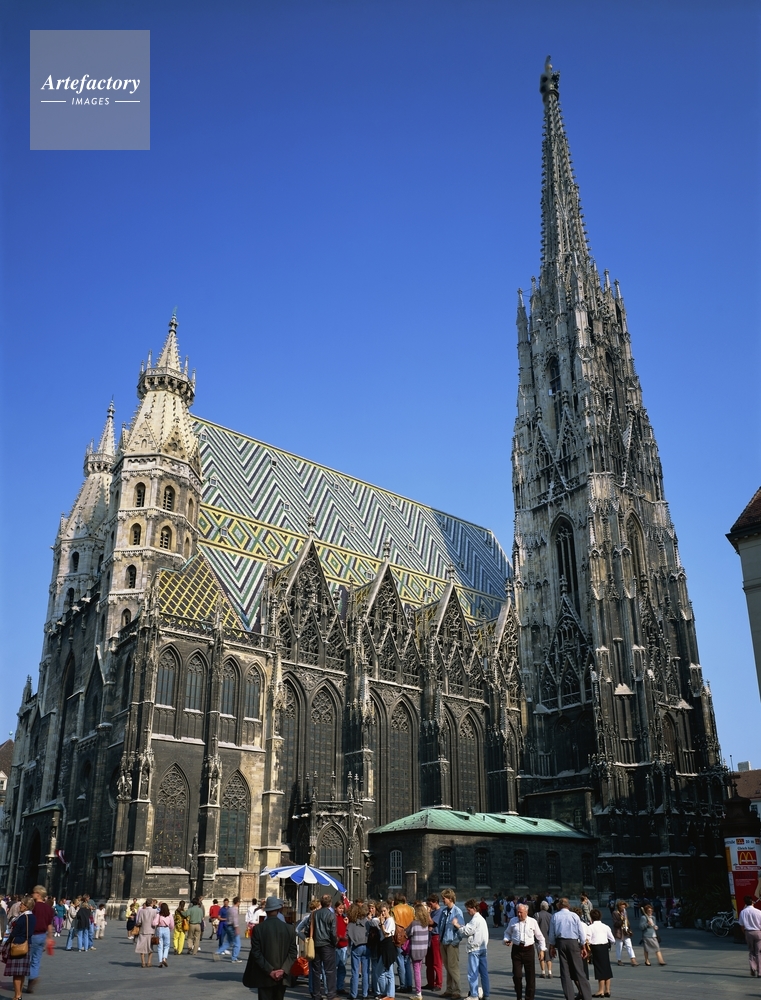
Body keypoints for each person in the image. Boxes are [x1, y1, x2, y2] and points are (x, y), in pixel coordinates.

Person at [243, 897, 298, 1000]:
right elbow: (293, 952)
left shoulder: (258, 929)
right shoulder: (289, 929)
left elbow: (256, 952)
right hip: (282, 977)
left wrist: (270, 970)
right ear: (278, 910)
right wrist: (283, 970)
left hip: (264, 975)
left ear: (266, 911)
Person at [547, 898, 592, 1000]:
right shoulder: (574, 916)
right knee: (579, 970)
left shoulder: (555, 916)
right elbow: (581, 932)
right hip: (573, 942)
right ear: (568, 905)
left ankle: (569, 997)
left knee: (565, 971)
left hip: (561, 942)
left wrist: (552, 946)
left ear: (559, 906)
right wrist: (583, 946)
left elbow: (551, 934)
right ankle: (587, 996)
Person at [504, 902, 545, 1000]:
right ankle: (519, 995)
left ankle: (529, 997)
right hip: (516, 950)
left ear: (526, 912)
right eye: (517, 912)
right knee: (517, 975)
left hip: (528, 950)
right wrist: (507, 940)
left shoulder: (532, 922)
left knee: (530, 976)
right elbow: (507, 933)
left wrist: (542, 950)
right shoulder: (513, 921)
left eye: (521, 912)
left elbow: (540, 937)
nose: (519, 914)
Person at [452, 898, 489, 1000]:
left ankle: (474, 995)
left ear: (474, 908)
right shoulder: (482, 919)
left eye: (468, 910)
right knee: (484, 973)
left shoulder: (475, 919)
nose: (467, 912)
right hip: (483, 948)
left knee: (473, 973)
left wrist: (457, 925)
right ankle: (486, 994)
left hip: (475, 949)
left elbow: (467, 931)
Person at [2, 894, 35, 1000]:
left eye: (22, 904)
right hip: (27, 944)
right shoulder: (32, 917)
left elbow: (15, 932)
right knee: (22, 973)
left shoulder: (22, 918)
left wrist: (8, 941)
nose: (20, 906)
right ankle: (19, 994)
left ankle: (17, 996)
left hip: (17, 944)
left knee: (16, 973)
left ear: (26, 906)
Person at [27, 885, 53, 994]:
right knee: (36, 959)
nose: (32, 894)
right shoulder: (49, 909)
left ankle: (29, 978)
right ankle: (33, 977)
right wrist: (49, 938)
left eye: (33, 892)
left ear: (38, 894)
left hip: (32, 935)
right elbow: (49, 925)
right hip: (42, 935)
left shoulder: (32, 907)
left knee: (27, 958)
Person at [311, 893, 338, 1000]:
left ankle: (316, 994)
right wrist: (334, 942)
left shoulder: (314, 914)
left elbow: (309, 928)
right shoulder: (331, 915)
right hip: (327, 944)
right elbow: (333, 932)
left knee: (316, 971)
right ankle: (331, 994)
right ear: (330, 903)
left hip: (316, 944)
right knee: (329, 971)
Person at [439, 889, 464, 1000]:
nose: (442, 900)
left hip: (451, 943)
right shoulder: (444, 911)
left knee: (453, 967)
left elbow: (461, 929)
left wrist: (454, 942)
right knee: (447, 967)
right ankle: (449, 989)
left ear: (450, 898)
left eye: (444, 898)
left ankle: (457, 990)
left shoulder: (457, 912)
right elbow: (440, 926)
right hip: (443, 942)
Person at [585, 909, 614, 998]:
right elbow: (612, 940)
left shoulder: (590, 927)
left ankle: (600, 990)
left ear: (591, 917)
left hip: (595, 948)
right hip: (604, 947)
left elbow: (588, 939)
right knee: (606, 967)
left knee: (599, 968)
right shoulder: (606, 926)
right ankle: (607, 990)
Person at [405, 902, 430, 1000]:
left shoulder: (414, 923)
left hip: (415, 950)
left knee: (416, 971)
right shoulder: (425, 924)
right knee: (418, 968)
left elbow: (407, 932)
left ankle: (418, 993)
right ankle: (419, 992)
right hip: (423, 949)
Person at [373, 902, 397, 1000]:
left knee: (384, 972)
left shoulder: (390, 920)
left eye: (384, 911)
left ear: (388, 910)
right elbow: (373, 921)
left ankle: (389, 994)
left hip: (388, 946)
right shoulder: (385, 920)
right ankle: (386, 993)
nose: (383, 913)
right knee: (384, 971)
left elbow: (386, 934)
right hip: (384, 947)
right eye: (381, 911)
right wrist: (380, 921)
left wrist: (382, 923)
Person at [347, 901, 370, 1000]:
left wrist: (348, 949)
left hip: (356, 946)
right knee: (365, 972)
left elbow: (347, 935)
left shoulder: (352, 923)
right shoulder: (367, 921)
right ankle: (365, 994)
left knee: (355, 972)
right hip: (366, 946)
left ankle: (353, 994)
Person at [392, 894, 414, 994]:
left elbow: (392, 924)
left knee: (400, 961)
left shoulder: (394, 909)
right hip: (409, 937)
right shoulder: (411, 909)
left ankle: (403, 984)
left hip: (399, 938)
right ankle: (409, 984)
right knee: (407, 962)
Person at [424, 895, 443, 992]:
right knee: (429, 962)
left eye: (430, 903)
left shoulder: (439, 912)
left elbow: (431, 922)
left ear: (435, 902)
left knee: (436, 961)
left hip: (436, 937)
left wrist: (427, 913)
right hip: (429, 937)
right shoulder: (432, 912)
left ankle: (438, 983)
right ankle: (430, 982)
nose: (429, 905)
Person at [611, 901, 636, 966]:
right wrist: (622, 920)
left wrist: (628, 927)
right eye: (622, 907)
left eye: (624, 907)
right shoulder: (615, 913)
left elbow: (627, 921)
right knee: (619, 946)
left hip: (626, 930)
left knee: (629, 945)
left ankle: (633, 959)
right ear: (619, 907)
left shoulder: (625, 912)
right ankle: (619, 960)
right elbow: (615, 924)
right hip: (619, 931)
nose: (623, 908)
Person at [135, 899, 156, 968]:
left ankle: (143, 962)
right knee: (150, 947)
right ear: (151, 904)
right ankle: (149, 962)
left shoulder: (142, 911)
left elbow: (139, 921)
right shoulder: (154, 911)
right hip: (151, 931)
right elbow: (155, 922)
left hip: (143, 931)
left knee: (142, 947)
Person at [534, 902, 552, 980]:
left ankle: (543, 972)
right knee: (548, 956)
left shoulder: (537, 915)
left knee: (541, 955)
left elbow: (535, 926)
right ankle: (550, 972)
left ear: (541, 907)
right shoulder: (550, 916)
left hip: (539, 938)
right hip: (548, 938)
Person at [336, 898, 350, 994]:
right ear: (335, 908)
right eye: (339, 908)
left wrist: (347, 923)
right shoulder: (334, 917)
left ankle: (340, 987)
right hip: (336, 945)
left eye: (342, 908)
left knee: (342, 968)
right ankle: (332, 987)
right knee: (333, 967)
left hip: (344, 945)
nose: (341, 910)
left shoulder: (345, 918)